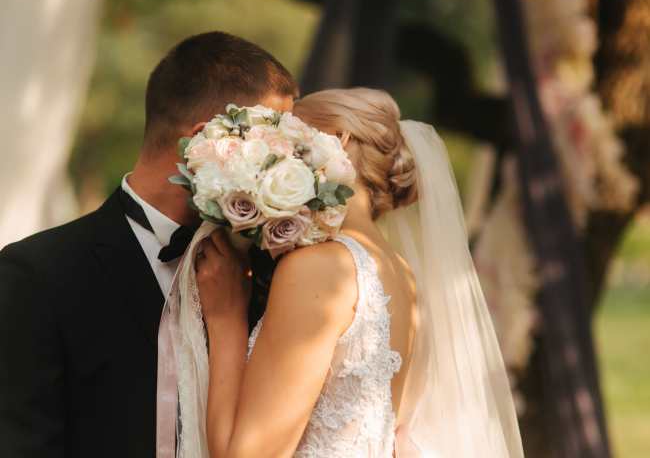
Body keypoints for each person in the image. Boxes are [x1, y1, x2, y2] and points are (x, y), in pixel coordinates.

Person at [0, 31, 297, 458]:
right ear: (205, 144)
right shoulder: (39, 274)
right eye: (272, 147)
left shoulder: (269, 277)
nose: (283, 165)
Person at [195, 88, 525, 457]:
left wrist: (226, 320)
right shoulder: (400, 273)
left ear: (337, 141)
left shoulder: (323, 269)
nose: (269, 159)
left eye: (286, 140)